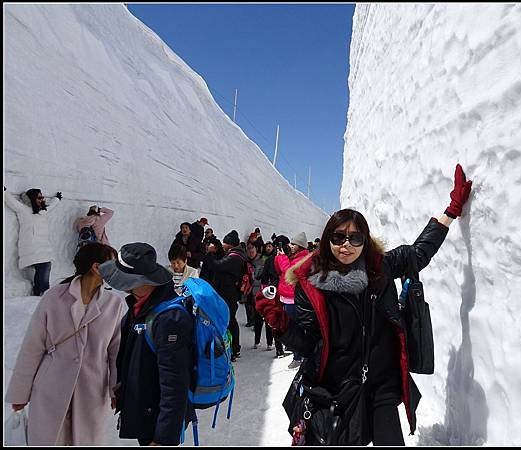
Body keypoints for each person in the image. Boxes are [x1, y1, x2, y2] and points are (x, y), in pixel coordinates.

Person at [256, 164, 472, 445]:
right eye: (338, 237)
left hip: (381, 384)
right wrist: (282, 325)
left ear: (365, 241)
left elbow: (418, 253)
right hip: (336, 389)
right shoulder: (310, 286)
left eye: (355, 237)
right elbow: (309, 344)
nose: (346, 244)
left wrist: (452, 210)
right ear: (327, 240)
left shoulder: (378, 268)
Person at [5, 243, 124, 445]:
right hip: (50, 387)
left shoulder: (114, 304)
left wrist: (117, 390)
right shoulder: (54, 297)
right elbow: (33, 347)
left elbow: (116, 353)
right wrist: (20, 393)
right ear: (96, 267)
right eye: (113, 264)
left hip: (92, 391)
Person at [98, 242, 196, 446]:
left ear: (142, 280)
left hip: (157, 421)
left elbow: (175, 383)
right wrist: (122, 391)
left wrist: (163, 438)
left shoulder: (170, 319)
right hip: (145, 410)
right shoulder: (141, 305)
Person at [4, 187, 63, 295]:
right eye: (39, 197)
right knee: (45, 266)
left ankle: (40, 293)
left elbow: (52, 206)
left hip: (43, 247)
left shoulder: (42, 211)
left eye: (42, 197)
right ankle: (42, 294)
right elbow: (11, 202)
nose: (42, 200)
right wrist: (4, 191)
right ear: (31, 198)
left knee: (44, 267)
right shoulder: (24, 210)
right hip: (32, 247)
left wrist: (57, 199)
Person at [203, 230, 246, 361]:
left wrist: (210, 253)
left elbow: (217, 266)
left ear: (230, 244)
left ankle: (233, 349)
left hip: (228, 294)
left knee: (229, 321)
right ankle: (233, 348)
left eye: (225, 242)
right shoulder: (236, 255)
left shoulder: (234, 257)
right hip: (229, 293)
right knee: (230, 320)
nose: (223, 244)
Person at [274, 232, 310, 370]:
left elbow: (289, 272)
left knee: (295, 328)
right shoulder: (294, 256)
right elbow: (280, 271)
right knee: (292, 327)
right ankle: (297, 353)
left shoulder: (303, 259)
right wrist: (279, 257)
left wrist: (282, 258)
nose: (290, 245)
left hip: (294, 299)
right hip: (287, 298)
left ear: (300, 246)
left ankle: (298, 357)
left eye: (293, 244)